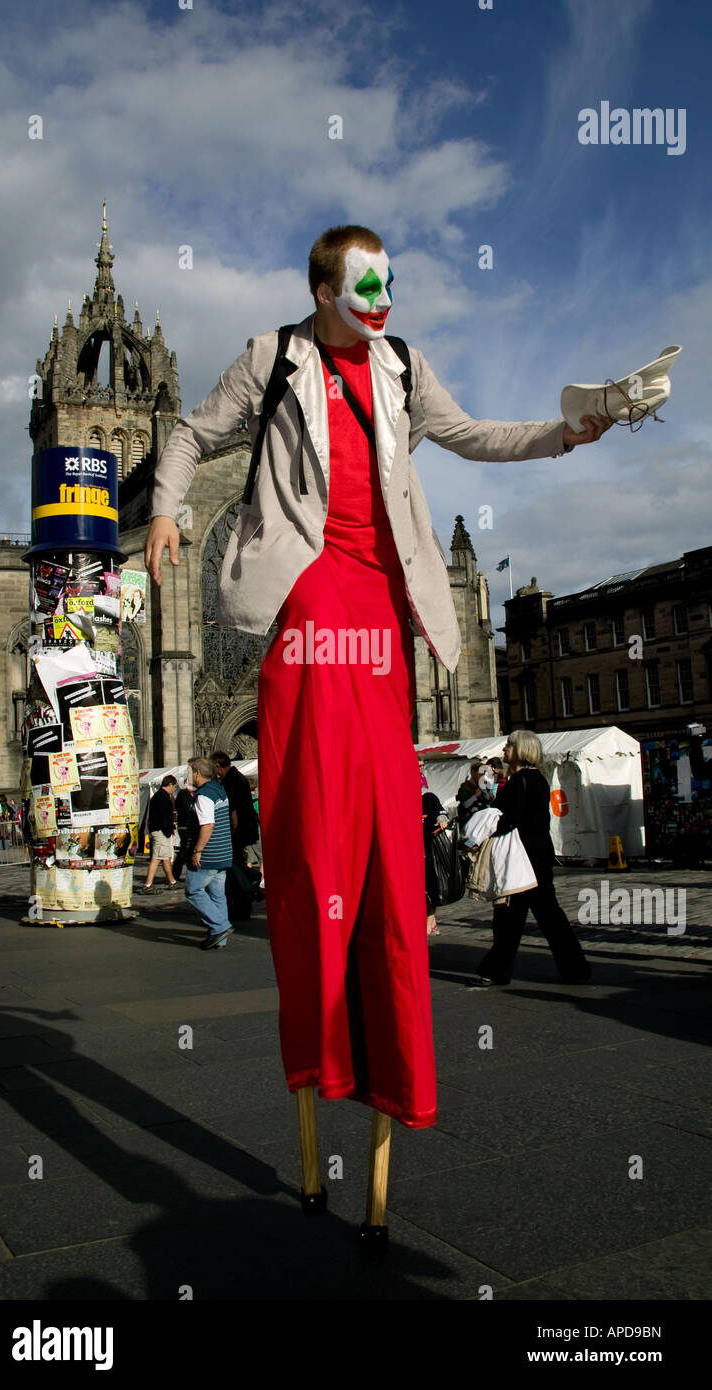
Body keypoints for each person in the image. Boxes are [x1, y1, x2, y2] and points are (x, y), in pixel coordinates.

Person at [144, 224, 611, 1129]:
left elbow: (475, 435)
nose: (381, 294)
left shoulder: (403, 365)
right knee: (318, 802)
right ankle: (318, 965)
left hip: (382, 599)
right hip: (309, 587)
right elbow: (188, 435)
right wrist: (164, 510)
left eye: (388, 279)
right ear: (323, 291)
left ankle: (387, 985)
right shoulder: (272, 356)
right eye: (363, 283)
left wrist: (566, 433)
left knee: (390, 804)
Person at [476, 730, 592, 986]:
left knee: (512, 916)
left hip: (522, 856)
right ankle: (575, 968)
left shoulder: (521, 781)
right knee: (545, 916)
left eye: (509, 746)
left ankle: (498, 969)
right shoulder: (534, 778)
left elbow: (510, 819)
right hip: (536, 854)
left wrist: (486, 823)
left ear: (520, 750)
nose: (504, 750)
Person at [184, 756, 234, 950]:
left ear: (197, 773)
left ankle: (220, 926)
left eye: (190, 771)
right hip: (223, 852)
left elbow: (208, 825)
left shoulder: (204, 795)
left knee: (194, 890)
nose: (189, 775)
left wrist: (198, 850)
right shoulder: (219, 790)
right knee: (217, 895)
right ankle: (219, 938)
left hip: (209, 854)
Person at [211, 751, 259, 921]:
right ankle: (243, 903)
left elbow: (233, 814)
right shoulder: (239, 776)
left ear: (218, 766)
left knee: (234, 870)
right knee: (235, 867)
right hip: (246, 830)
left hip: (238, 832)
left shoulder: (230, 780)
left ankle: (249, 888)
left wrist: (228, 835)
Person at [138, 774, 178, 893]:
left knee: (164, 857)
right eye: (174, 786)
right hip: (161, 831)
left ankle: (172, 881)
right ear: (170, 784)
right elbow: (165, 817)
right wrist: (168, 830)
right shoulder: (163, 797)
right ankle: (148, 884)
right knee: (157, 858)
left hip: (158, 830)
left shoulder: (158, 796)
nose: (175, 789)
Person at [422, 788, 448, 937]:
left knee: (430, 887)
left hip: (429, 852)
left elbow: (441, 814)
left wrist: (442, 820)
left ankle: (430, 921)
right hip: (412, 853)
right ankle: (429, 921)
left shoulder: (428, 798)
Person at [171, 781, 194, 883]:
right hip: (185, 826)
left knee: (185, 850)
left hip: (188, 826)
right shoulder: (184, 794)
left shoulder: (190, 794)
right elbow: (188, 809)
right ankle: (176, 873)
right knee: (185, 850)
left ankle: (177, 873)